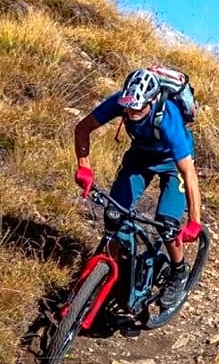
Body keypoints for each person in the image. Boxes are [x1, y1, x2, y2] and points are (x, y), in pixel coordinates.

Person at [73, 67, 204, 307]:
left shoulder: (168, 117)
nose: (132, 112)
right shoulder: (121, 101)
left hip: (173, 164)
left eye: (139, 108)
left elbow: (188, 172)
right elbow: (83, 128)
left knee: (167, 224)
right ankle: (105, 277)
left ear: (152, 100)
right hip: (140, 157)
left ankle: (178, 271)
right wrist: (84, 167)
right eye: (129, 108)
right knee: (115, 216)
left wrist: (194, 221)